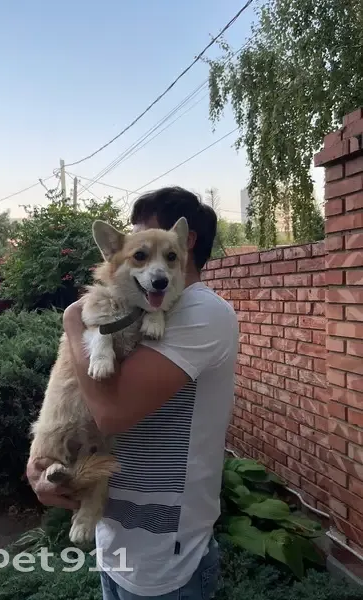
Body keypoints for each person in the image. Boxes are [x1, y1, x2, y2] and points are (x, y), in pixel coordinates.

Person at [27, 186, 239, 600]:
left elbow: (110, 413)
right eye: (136, 249)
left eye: (145, 237)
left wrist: (72, 321)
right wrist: (40, 462)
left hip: (165, 559)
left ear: (185, 243)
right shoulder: (136, 306)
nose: (132, 248)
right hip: (116, 538)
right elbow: (74, 394)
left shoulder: (202, 312)